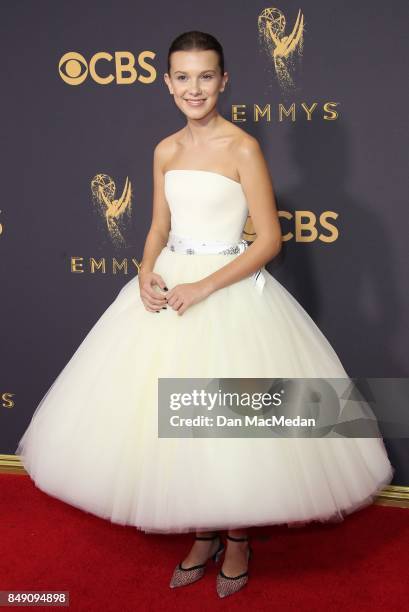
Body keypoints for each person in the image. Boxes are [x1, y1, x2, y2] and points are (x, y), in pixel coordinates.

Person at [15, 30, 394, 599]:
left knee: (228, 423)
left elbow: (267, 241)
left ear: (224, 81)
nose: (195, 88)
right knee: (174, 422)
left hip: (229, 292)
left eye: (206, 76)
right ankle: (202, 533)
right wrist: (145, 270)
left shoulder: (243, 148)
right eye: (184, 77)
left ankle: (237, 539)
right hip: (168, 290)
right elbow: (159, 227)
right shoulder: (165, 150)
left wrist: (207, 287)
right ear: (168, 84)